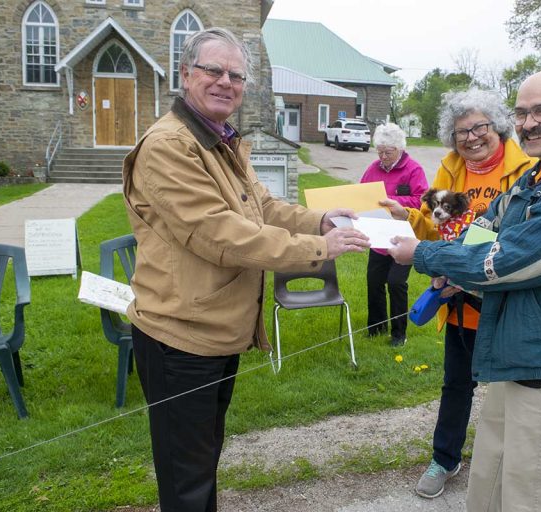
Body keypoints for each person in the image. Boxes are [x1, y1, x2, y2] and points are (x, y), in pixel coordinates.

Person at [121, 28, 369, 512]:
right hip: (179, 337)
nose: (225, 82)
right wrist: (320, 246)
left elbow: (263, 208)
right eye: (213, 70)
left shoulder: (219, 139)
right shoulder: (171, 145)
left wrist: (321, 217)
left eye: (236, 75)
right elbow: (220, 234)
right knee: (187, 480)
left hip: (213, 331)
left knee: (201, 462)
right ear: (186, 73)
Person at [387, 70, 541, 511]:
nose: (529, 122)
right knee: (492, 476)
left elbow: (511, 260)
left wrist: (427, 257)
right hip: (515, 347)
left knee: (532, 488)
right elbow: (489, 225)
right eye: (522, 112)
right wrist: (454, 267)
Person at [380, 88, 535, 498]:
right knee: (455, 386)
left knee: (515, 392)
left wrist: (463, 257)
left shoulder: (528, 168)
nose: (471, 138)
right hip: (460, 303)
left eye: (480, 127)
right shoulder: (450, 171)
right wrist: (409, 214)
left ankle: (514, 468)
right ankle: (444, 459)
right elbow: (436, 229)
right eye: (461, 131)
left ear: (498, 127)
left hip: (506, 303)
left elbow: (519, 232)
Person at [360, 123, 428, 346]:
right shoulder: (372, 168)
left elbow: (422, 201)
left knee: (396, 282)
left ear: (399, 149)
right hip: (379, 236)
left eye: (387, 152)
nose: (382, 156)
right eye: (379, 151)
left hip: (404, 237)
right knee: (374, 281)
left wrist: (395, 202)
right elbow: (361, 192)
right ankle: (376, 328)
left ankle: (399, 334)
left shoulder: (413, 169)